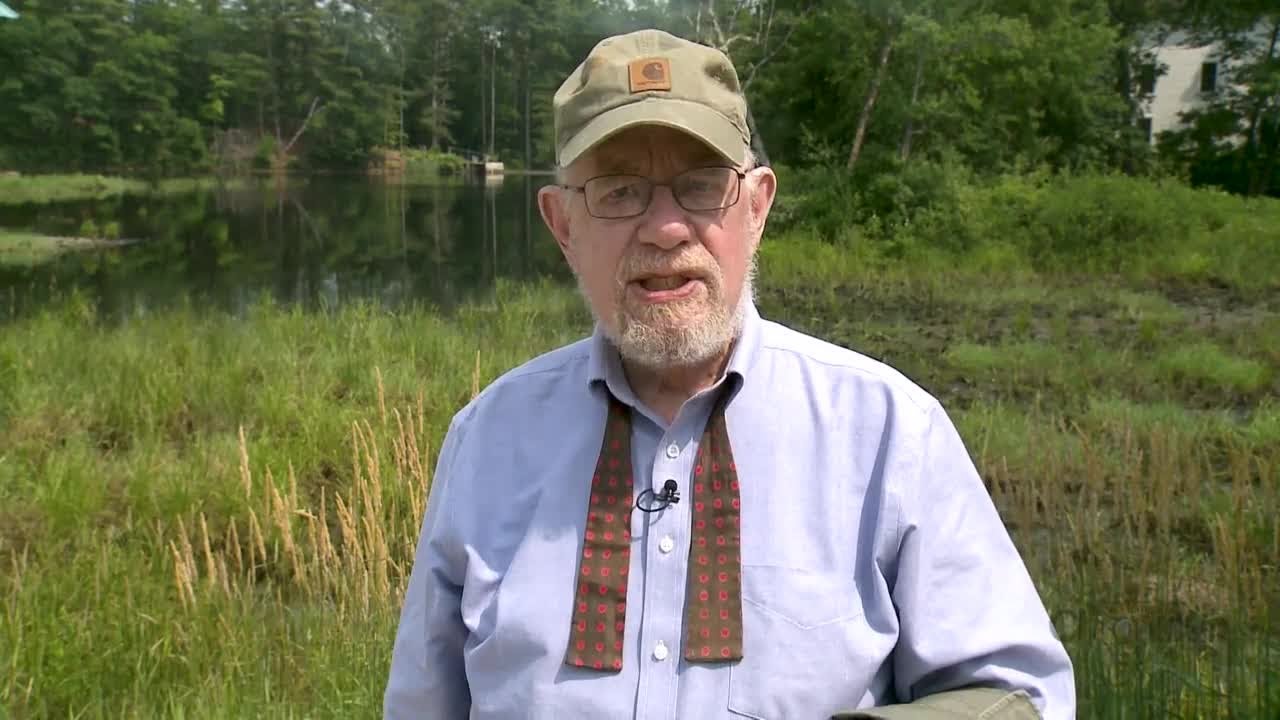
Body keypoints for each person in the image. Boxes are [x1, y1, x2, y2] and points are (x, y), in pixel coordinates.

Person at [383, 28, 1075, 720]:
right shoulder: (486, 443)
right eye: (620, 191)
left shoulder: (889, 434)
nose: (664, 228)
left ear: (757, 206)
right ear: (563, 224)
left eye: (701, 186)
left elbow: (1023, 696)